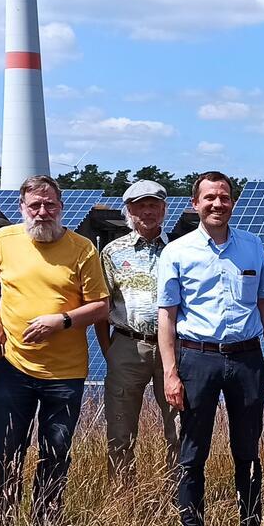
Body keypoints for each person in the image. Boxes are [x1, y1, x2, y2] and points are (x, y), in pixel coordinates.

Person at [158, 171, 264, 526]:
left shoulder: (252, 247)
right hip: (198, 359)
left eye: (224, 197)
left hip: (246, 358)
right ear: (195, 204)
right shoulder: (176, 252)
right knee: (193, 455)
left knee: (247, 452)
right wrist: (170, 372)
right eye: (209, 197)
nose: (217, 204)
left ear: (233, 202)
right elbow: (167, 317)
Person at [0, 175, 109, 526]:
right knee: (6, 450)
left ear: (61, 207)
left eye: (50, 205)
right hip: (12, 367)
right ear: (22, 208)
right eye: (34, 205)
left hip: (65, 375)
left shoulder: (83, 249)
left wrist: (62, 321)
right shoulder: (4, 240)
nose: (42, 212)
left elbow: (100, 306)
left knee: (56, 453)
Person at [96, 179, 179, 489]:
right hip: (127, 345)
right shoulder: (111, 253)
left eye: (154, 204)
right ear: (128, 210)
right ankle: (123, 499)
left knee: (180, 427)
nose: (147, 211)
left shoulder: (180, 249)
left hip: (175, 349)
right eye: (140, 205)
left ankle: (179, 498)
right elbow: (101, 305)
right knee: (120, 428)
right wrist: (110, 351)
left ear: (164, 209)